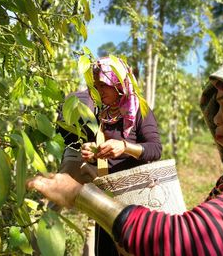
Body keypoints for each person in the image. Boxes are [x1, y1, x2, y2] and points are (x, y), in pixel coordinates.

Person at [28, 41, 223, 255]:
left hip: (133, 202)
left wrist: (80, 194)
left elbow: (188, 240)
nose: (216, 117)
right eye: (216, 106)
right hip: (115, 202)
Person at [57, 56, 162, 255]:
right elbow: (105, 153)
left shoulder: (139, 109)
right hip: (107, 194)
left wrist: (125, 147)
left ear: (119, 83)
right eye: (95, 85)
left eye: (104, 85)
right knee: (106, 248)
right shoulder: (101, 113)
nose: (99, 90)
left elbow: (155, 149)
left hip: (133, 197)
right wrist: (93, 151)